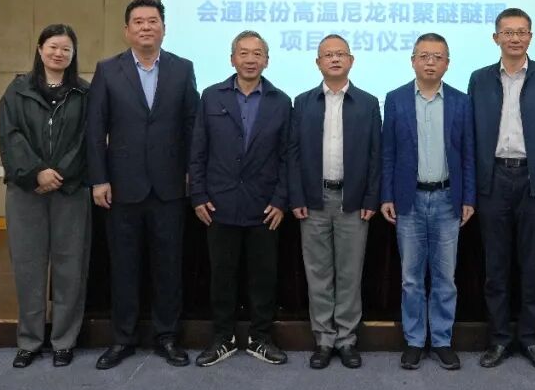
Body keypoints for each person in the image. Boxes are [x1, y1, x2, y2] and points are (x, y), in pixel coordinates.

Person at [87, 0, 198, 370]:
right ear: (127, 30)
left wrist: (191, 172)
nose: (146, 27)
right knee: (124, 267)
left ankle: (167, 337)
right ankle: (123, 338)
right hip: (122, 187)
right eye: (138, 21)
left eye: (153, 21)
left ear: (164, 28)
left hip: (170, 187)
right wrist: (99, 178)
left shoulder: (183, 69)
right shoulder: (108, 70)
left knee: (169, 266)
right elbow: (95, 129)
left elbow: (192, 125)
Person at [468, 7, 535, 371]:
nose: (515, 38)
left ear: (531, 37)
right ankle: (498, 339)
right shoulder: (480, 79)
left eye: (521, 32)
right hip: (493, 180)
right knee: (495, 267)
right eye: (508, 32)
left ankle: (531, 339)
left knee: (532, 266)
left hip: (534, 181)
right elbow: (470, 135)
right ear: (496, 38)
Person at [191, 30, 292, 367]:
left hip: (265, 206)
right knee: (221, 275)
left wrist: (281, 200)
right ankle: (222, 338)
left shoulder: (281, 101)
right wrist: (198, 195)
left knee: (264, 276)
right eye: (244, 53)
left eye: (257, 54)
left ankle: (261, 338)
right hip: (219, 203)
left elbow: (287, 157)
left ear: (267, 60)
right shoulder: (211, 97)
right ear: (232, 59)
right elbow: (198, 150)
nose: (250, 59)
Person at [0, 24, 90, 368]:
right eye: (53, 47)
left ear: (73, 54)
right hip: (26, 190)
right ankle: (30, 341)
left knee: (70, 266)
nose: (58, 54)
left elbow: (87, 139)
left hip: (71, 190)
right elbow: (10, 136)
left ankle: (64, 340)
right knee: (28, 266)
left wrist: (60, 173)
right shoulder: (17, 90)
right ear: (39, 49)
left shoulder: (84, 93)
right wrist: (36, 171)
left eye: (66, 49)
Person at [381, 33, 475, 371]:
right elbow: (388, 152)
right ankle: (415, 341)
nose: (430, 62)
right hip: (409, 199)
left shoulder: (461, 101)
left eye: (437, 57)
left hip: (449, 199)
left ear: (447, 63)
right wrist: (386, 195)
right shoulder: (396, 99)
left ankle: (442, 340)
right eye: (424, 56)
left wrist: (469, 197)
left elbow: (468, 154)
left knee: (445, 278)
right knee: (411, 278)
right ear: (413, 61)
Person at [289, 35, 381, 369]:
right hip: (314, 199)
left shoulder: (368, 103)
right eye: (328, 55)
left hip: (352, 200)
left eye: (341, 54)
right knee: (318, 273)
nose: (335, 59)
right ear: (318, 63)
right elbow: (293, 153)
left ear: (351, 60)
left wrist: (371, 197)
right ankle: (324, 340)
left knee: (349, 273)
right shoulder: (303, 102)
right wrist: (297, 195)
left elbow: (375, 154)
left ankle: (346, 339)